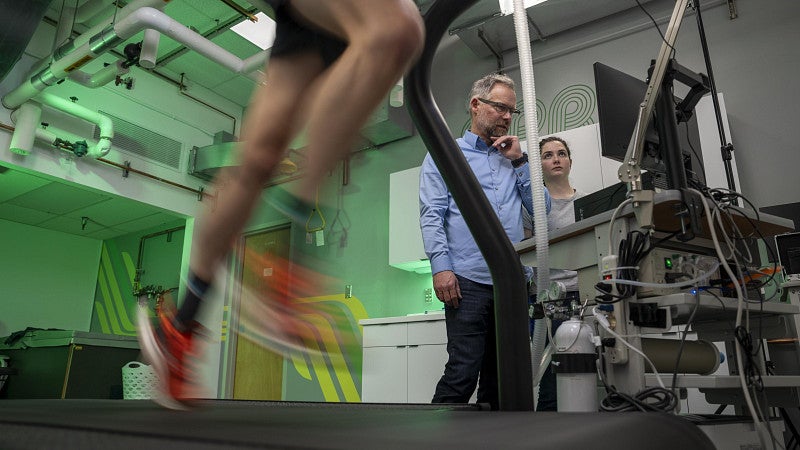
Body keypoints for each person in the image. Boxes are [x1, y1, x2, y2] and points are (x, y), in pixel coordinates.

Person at [137, 1, 425, 410]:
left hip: (326, 25)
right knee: (399, 28)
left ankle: (180, 325)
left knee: (258, 157)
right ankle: (294, 268)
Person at [419, 73, 551, 410]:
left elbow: (542, 211)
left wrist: (520, 162)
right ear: (476, 105)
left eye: (512, 111)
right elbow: (432, 214)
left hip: (512, 283)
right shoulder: (445, 155)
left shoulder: (514, 158)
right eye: (500, 108)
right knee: (462, 371)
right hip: (467, 280)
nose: (507, 117)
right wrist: (441, 269)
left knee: (504, 378)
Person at [526, 135, 584, 411]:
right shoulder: (533, 206)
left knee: (584, 375)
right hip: (547, 301)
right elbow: (522, 254)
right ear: (539, 166)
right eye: (548, 155)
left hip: (584, 299)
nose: (556, 159)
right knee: (550, 381)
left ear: (570, 161)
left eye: (561, 153)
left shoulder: (588, 204)